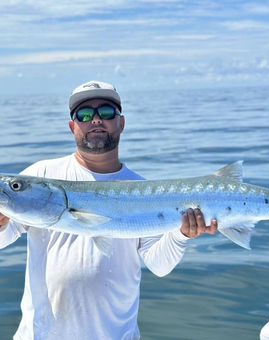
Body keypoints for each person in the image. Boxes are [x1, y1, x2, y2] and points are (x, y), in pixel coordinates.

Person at [0, 80, 218, 340]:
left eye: (105, 112)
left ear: (121, 123)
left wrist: (181, 235)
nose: (95, 120)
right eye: (84, 114)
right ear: (73, 126)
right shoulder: (41, 174)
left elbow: (159, 265)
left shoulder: (141, 189)